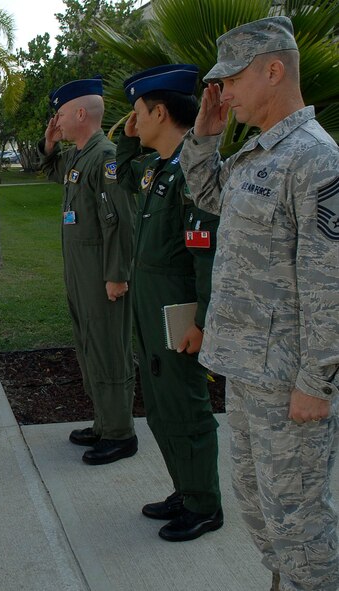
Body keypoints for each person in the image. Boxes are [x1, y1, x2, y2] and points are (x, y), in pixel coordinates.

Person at [180, 17, 339, 590]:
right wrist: (203, 135)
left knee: (299, 522)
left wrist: (316, 385)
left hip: (288, 381)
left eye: (232, 80)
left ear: (274, 71)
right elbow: (204, 193)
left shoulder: (315, 159)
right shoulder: (259, 152)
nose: (222, 92)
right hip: (249, 370)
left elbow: (331, 285)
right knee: (257, 505)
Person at [116, 64, 223, 541]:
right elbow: (121, 177)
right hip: (150, 307)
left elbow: (206, 255)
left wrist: (202, 321)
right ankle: (186, 489)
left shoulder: (190, 174)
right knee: (160, 408)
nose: (133, 120)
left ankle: (205, 505)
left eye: (138, 111)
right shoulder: (157, 168)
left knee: (186, 408)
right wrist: (127, 138)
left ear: (160, 110)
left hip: (179, 312)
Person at [38, 79, 138, 465]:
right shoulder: (78, 156)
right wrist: (50, 142)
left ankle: (120, 433)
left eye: (60, 114)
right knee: (88, 347)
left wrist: (117, 274)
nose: (56, 121)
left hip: (101, 274)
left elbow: (121, 223)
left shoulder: (107, 157)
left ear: (81, 113)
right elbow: (50, 169)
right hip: (80, 273)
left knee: (109, 350)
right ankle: (103, 422)